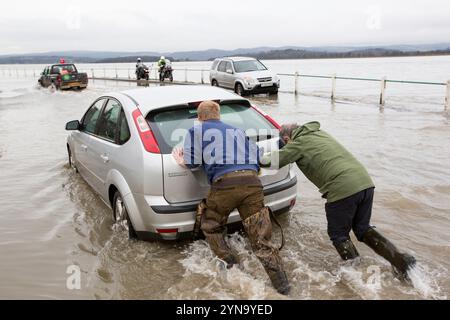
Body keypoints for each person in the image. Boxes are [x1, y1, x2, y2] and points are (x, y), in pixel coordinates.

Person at [261, 122, 416, 278]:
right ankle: (401, 261)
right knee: (362, 229)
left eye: (285, 144)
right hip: (365, 183)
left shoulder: (298, 143)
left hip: (342, 188)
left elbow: (272, 161)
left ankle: (355, 275)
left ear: (287, 138)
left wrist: (252, 155)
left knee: (338, 235)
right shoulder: (319, 133)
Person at [172, 101, 290, 295]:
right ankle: (283, 287)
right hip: (253, 185)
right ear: (219, 116)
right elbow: (258, 156)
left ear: (199, 117)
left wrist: (180, 160)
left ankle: (231, 265)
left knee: (212, 225)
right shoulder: (238, 131)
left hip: (224, 185)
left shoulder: (196, 131)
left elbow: (193, 162)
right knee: (262, 240)